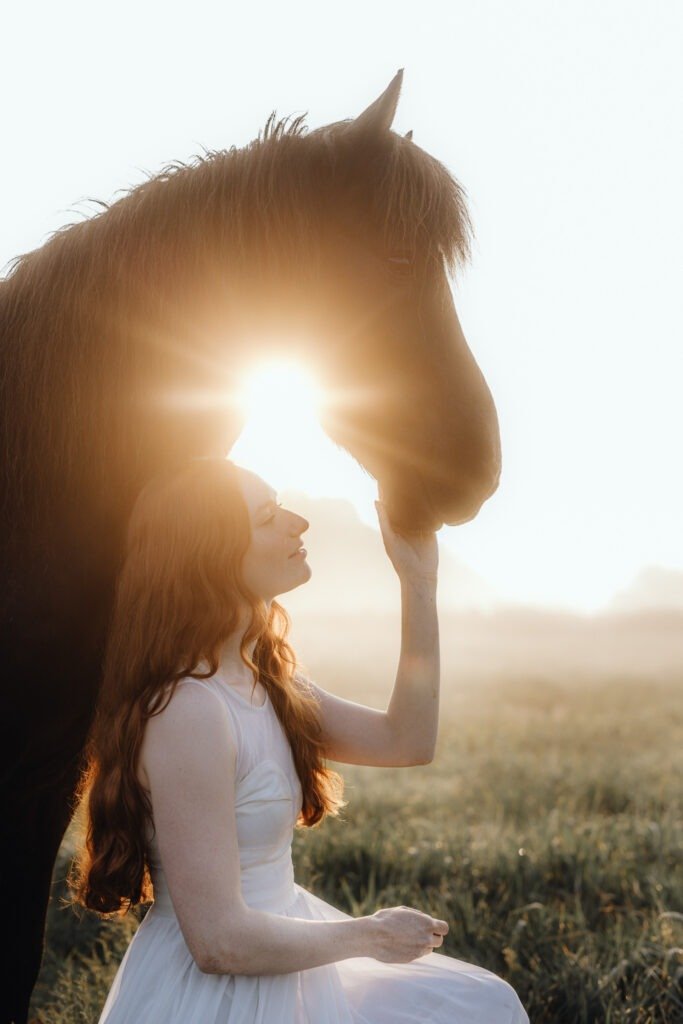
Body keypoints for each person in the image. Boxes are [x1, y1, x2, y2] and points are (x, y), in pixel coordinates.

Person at [69, 456, 529, 1023]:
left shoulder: (263, 681)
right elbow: (218, 942)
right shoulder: (191, 711)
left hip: (289, 957)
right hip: (220, 996)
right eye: (267, 516)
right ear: (210, 553)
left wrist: (418, 581)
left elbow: (407, 740)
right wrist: (371, 935)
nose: (298, 523)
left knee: (481, 1005)